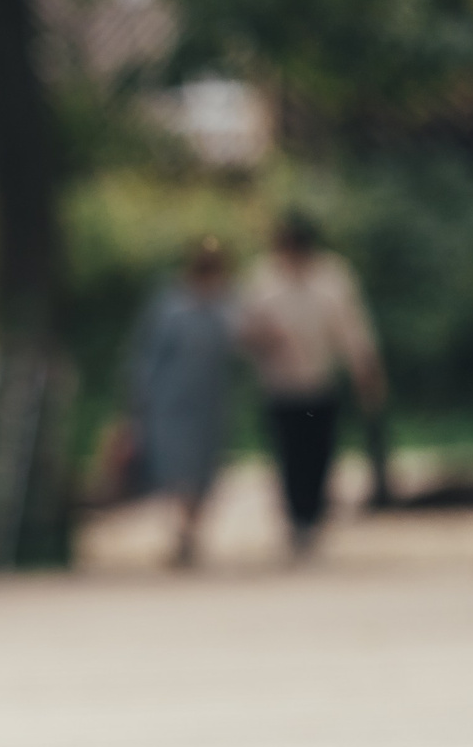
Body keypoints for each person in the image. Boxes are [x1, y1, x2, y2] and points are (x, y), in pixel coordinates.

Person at [236, 212, 386, 557]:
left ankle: (314, 514)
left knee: (319, 451)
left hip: (319, 382)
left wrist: (365, 370)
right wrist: (264, 339)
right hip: (279, 385)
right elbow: (243, 329)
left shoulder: (333, 277)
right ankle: (296, 517)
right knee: (288, 453)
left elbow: (353, 328)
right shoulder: (262, 278)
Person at [124, 237, 239, 568]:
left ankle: (191, 529)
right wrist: (138, 401)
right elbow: (147, 357)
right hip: (172, 401)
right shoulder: (171, 307)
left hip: (211, 402)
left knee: (205, 468)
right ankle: (183, 530)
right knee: (176, 466)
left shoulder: (225, 305)